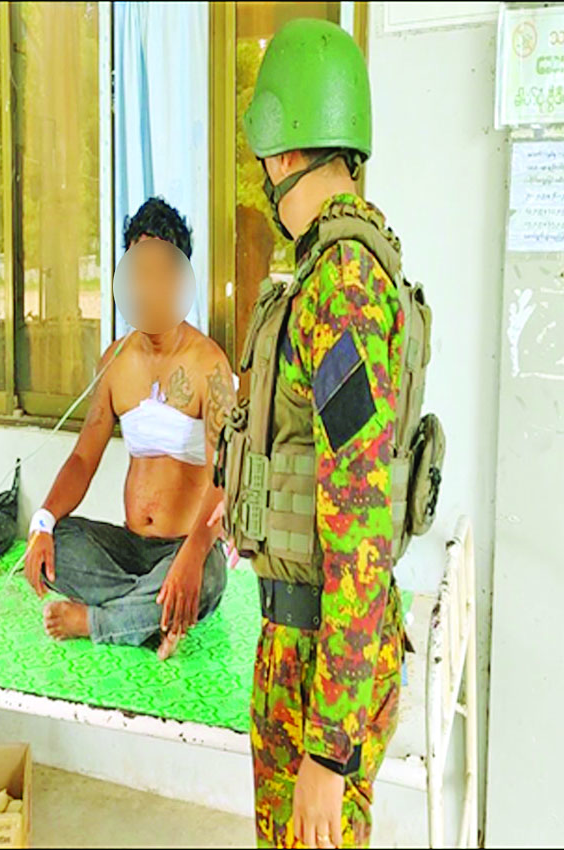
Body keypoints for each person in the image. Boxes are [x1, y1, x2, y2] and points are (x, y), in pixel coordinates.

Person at [213, 18, 438, 849]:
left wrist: (328, 750)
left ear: (281, 151)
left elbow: (360, 519)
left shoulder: (341, 284)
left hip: (321, 660)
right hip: (306, 641)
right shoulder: (333, 269)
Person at [24, 197, 237, 661]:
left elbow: (225, 477)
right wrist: (42, 523)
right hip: (127, 548)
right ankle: (155, 613)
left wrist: (192, 556)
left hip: (186, 545)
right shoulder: (115, 362)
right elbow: (84, 458)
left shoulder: (209, 365)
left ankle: (99, 621)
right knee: (59, 544)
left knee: (210, 578)